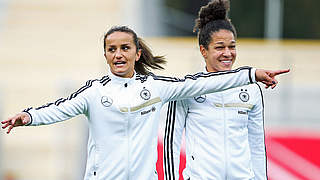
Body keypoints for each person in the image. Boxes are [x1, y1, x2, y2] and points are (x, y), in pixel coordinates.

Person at [2, 25, 288, 180]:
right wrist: (29, 117)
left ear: (137, 53)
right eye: (111, 50)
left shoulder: (157, 88)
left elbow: (206, 81)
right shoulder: (93, 92)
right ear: (105, 56)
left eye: (125, 48)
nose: (118, 54)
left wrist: (252, 75)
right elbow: (60, 107)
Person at [163, 0, 279, 179]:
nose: (227, 53)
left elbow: (256, 144)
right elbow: (171, 142)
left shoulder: (251, 90)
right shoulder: (187, 90)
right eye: (219, 47)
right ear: (203, 51)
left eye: (232, 46)